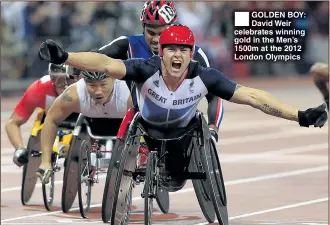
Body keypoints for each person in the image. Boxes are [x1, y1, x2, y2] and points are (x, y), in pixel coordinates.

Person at [38, 24, 328, 190]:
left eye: (184, 50)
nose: (177, 55)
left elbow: (254, 97)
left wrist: (299, 116)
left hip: (182, 136)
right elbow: (104, 63)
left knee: (176, 180)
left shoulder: (205, 76)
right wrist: (65, 57)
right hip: (146, 134)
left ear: (192, 54)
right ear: (161, 53)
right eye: (171, 50)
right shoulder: (144, 69)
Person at [97, 1, 223, 143]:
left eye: (162, 33)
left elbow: (215, 94)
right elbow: (96, 58)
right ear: (143, 28)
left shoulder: (193, 52)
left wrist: (213, 128)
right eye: (151, 33)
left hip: (183, 123)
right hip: (142, 119)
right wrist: (71, 63)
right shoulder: (128, 44)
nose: (156, 39)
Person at [36, 69, 133, 182]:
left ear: (114, 79)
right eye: (92, 85)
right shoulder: (74, 93)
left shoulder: (128, 93)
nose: (98, 91)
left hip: (124, 122)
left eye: (103, 84)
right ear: (84, 82)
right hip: (93, 122)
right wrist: (45, 162)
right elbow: (51, 120)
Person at [5, 63, 78, 167]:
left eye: (67, 81)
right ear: (52, 80)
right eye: (60, 83)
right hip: (50, 117)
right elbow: (12, 122)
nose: (64, 85)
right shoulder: (39, 89)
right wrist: (20, 149)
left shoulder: (86, 87)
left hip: (79, 116)